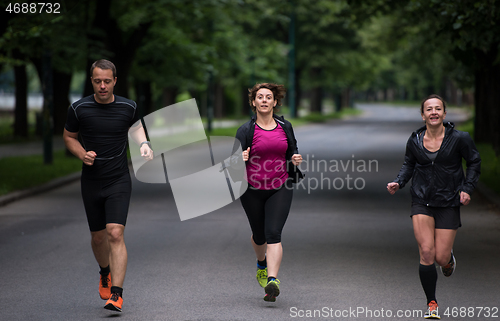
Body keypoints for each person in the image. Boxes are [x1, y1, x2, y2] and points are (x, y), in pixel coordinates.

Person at [63, 59, 153, 312]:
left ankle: (117, 294)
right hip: (91, 180)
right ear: (91, 81)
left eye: (107, 81)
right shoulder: (79, 108)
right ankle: (105, 272)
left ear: (115, 81)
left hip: (118, 179)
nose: (102, 86)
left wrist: (144, 144)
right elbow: (69, 136)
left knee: (115, 232)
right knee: (98, 236)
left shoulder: (128, 106)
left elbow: (136, 130)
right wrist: (81, 153)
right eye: (97, 81)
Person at [387, 94, 481, 319]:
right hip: (422, 200)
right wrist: (399, 182)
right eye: (429, 109)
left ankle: (448, 259)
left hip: (448, 201)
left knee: (440, 257)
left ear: (444, 114)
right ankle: (432, 303)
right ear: (423, 115)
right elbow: (409, 164)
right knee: (426, 252)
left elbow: (474, 161)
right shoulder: (415, 140)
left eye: (438, 108)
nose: (434, 112)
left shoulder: (459, 138)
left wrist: (467, 188)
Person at [235, 83, 303, 302]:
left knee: (274, 233)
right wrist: (239, 159)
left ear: (275, 102)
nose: (264, 100)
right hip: (252, 189)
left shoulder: (285, 126)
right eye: (260, 97)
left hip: (280, 186)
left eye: (268, 97)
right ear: (253, 102)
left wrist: (295, 159)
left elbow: (293, 151)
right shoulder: (246, 130)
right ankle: (261, 263)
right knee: (259, 235)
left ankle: (272, 280)